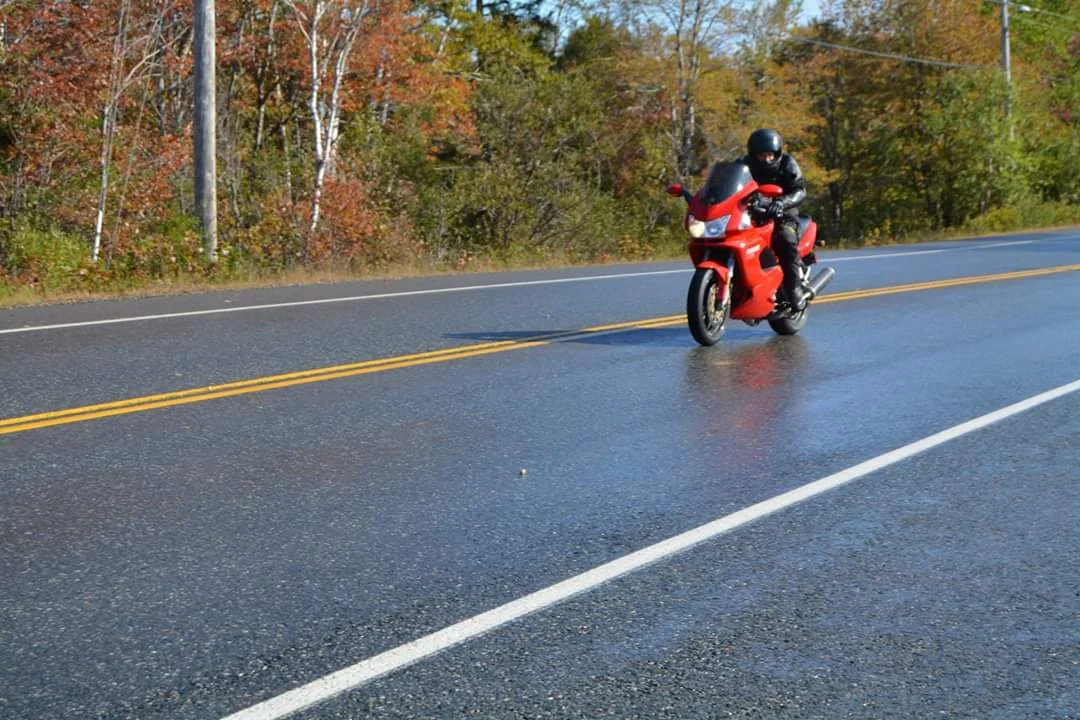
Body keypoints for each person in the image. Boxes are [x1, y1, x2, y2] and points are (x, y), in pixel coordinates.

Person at [741, 128, 808, 310]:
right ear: (754, 154)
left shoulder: (787, 163)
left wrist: (781, 202)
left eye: (771, 155)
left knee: (785, 237)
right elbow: (728, 183)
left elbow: (799, 190)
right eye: (762, 155)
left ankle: (794, 288)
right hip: (752, 212)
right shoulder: (743, 165)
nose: (767, 159)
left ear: (777, 153)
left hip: (783, 213)